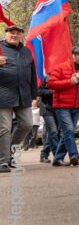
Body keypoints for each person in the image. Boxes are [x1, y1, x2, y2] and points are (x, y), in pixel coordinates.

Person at [48, 46, 79, 167]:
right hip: (62, 105)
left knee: (67, 132)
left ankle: (58, 158)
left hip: (77, 106)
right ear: (72, 55)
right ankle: (74, 155)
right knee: (68, 130)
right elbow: (51, 84)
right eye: (78, 54)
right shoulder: (61, 67)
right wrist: (70, 82)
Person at [0, 25, 37, 172]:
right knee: (4, 128)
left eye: (18, 33)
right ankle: (3, 161)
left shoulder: (26, 51)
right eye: (11, 33)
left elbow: (32, 74)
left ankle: (9, 152)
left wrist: (34, 95)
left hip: (23, 95)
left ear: (22, 35)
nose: (14, 35)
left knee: (27, 124)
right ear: (6, 34)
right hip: (3, 95)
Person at [37, 78, 58, 163]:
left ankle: (44, 154)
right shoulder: (46, 77)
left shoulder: (64, 76)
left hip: (58, 109)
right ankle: (57, 155)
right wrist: (53, 92)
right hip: (47, 109)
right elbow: (38, 91)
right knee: (53, 131)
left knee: (53, 133)